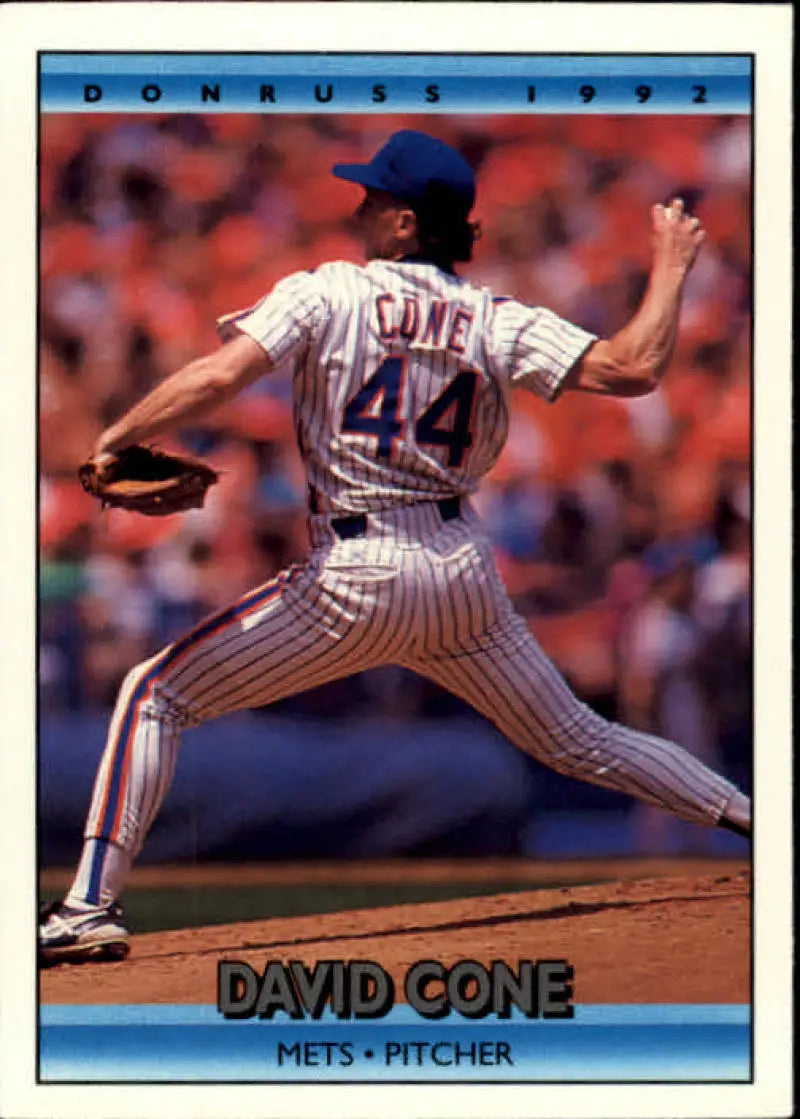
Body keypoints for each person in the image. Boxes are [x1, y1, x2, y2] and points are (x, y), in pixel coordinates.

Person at [39, 129, 751, 965]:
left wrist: (116, 436)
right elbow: (632, 369)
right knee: (578, 739)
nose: (360, 207)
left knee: (153, 693)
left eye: (376, 198)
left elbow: (218, 376)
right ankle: (756, 816)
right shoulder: (495, 316)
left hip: (356, 570)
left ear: (408, 223)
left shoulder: (328, 291)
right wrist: (671, 266)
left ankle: (89, 906)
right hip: (459, 572)